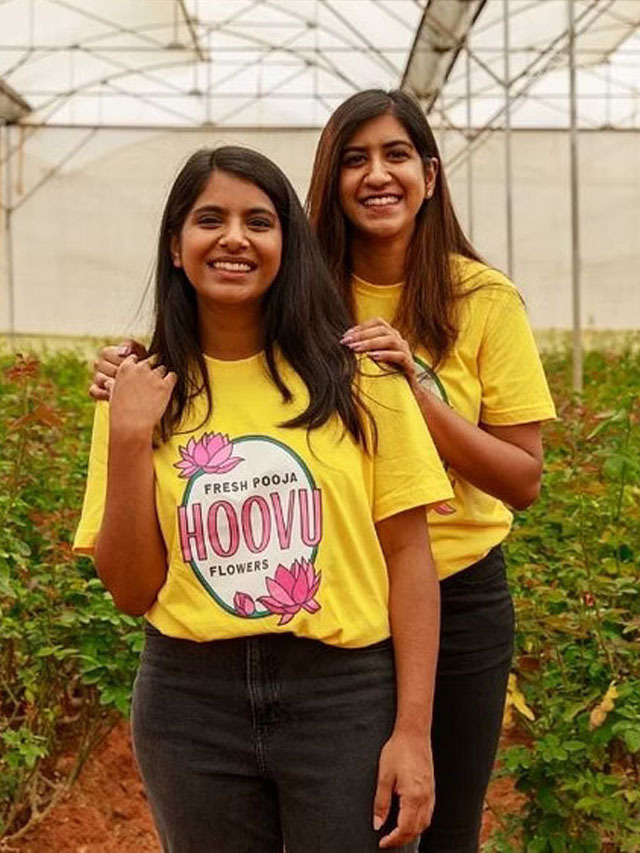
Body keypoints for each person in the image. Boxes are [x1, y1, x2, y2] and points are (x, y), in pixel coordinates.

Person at [90, 91, 556, 852]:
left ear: (431, 174)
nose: (377, 175)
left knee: (439, 824)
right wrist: (129, 418)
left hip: (432, 594)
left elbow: (516, 481)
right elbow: (131, 584)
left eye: (396, 154)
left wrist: (412, 390)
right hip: (295, 618)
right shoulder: (297, 302)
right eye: (354, 158)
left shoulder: (456, 311)